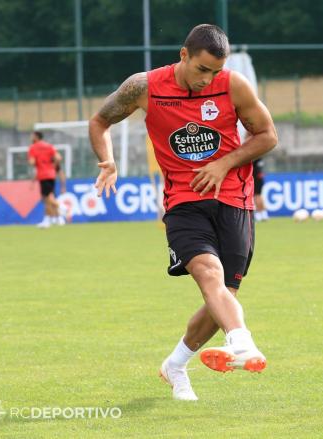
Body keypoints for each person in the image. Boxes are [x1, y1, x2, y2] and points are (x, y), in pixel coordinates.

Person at [88, 24, 278, 401]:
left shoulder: (233, 85)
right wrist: (107, 160)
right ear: (184, 55)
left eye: (215, 72)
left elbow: (267, 136)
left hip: (235, 200)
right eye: (202, 70)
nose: (208, 80)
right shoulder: (144, 87)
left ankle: (175, 365)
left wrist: (224, 164)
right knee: (210, 273)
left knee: (224, 295)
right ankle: (242, 343)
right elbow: (100, 121)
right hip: (183, 202)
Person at [28, 131, 65, 228]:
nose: (31, 138)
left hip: (43, 175)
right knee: (48, 198)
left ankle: (62, 208)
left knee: (47, 198)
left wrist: (34, 162)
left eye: (32, 136)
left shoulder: (33, 147)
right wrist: (52, 166)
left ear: (36, 137)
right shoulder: (49, 146)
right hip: (51, 175)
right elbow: (58, 157)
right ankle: (47, 220)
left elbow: (32, 162)